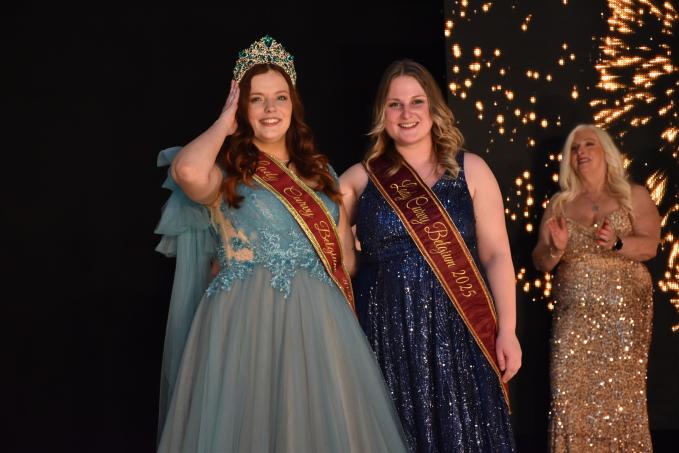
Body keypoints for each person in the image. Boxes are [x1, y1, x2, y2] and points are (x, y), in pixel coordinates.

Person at [154, 35, 407, 452]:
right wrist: (225, 122)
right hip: (243, 322)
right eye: (256, 100)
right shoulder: (226, 171)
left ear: (294, 104)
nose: (270, 109)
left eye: (280, 98)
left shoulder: (322, 172)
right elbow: (185, 171)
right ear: (242, 108)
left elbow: (343, 261)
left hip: (318, 326)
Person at [340, 59, 520, 452]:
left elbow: (496, 255)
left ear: (434, 109)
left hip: (461, 332)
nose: (406, 114)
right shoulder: (358, 179)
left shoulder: (472, 170)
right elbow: (338, 261)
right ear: (382, 113)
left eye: (416, 102)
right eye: (395, 104)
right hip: (387, 333)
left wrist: (507, 330)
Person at [532, 124, 660, 452]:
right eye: (574, 148)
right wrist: (556, 249)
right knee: (569, 399)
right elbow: (541, 261)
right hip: (574, 319)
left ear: (606, 152)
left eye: (589, 144)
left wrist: (618, 243)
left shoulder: (632, 195)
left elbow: (650, 246)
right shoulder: (560, 204)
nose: (581, 152)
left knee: (621, 399)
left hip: (623, 317)